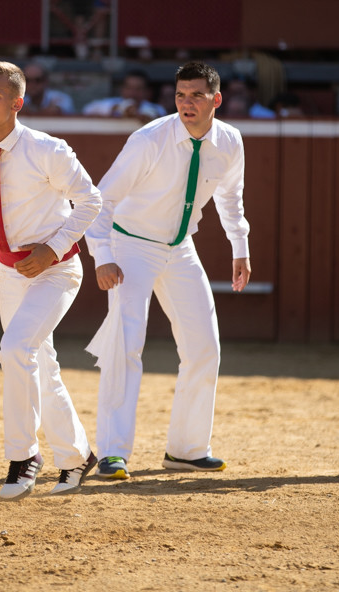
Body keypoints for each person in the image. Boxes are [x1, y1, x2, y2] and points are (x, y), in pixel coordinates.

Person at [84, 61, 250, 482]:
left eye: (196, 95)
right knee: (125, 345)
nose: (186, 103)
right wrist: (102, 255)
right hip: (131, 244)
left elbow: (231, 198)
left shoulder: (230, 140)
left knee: (204, 347)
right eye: (180, 95)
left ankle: (187, 449)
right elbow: (101, 201)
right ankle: (112, 452)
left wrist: (240, 247)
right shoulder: (150, 139)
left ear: (216, 99)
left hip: (179, 248)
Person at [0, 60, 102, 499]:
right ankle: (76, 457)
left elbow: (91, 201)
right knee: (38, 364)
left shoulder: (47, 149)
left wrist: (51, 248)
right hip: (8, 270)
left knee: (15, 350)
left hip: (57, 269)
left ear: (17, 102)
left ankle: (23, 456)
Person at [82, 70, 166, 120]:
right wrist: (117, 108)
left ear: (147, 92)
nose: (133, 93)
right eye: (129, 88)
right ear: (122, 89)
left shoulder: (156, 108)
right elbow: (88, 109)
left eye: (138, 89)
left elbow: (159, 115)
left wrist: (139, 114)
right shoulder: (113, 103)